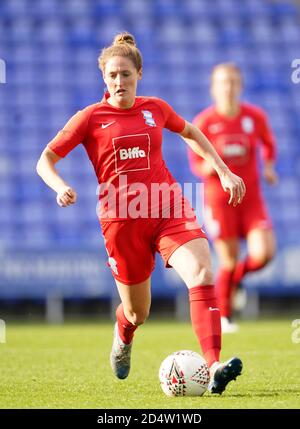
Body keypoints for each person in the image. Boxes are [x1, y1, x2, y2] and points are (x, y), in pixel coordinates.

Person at [36, 34, 246, 394]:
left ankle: (213, 367)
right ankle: (124, 333)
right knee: (138, 313)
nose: (120, 82)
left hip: (167, 207)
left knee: (201, 271)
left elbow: (191, 131)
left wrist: (224, 170)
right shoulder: (89, 118)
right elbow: (46, 160)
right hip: (122, 220)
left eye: (126, 75)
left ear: (139, 75)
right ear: (104, 77)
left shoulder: (156, 109)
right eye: (113, 75)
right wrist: (60, 187)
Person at [189, 63, 278, 333]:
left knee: (264, 254)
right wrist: (213, 167)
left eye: (233, 82)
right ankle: (225, 317)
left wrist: (269, 166)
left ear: (240, 86)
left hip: (251, 200)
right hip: (220, 200)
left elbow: (269, 144)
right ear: (213, 88)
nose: (228, 87)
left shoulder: (255, 117)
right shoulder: (205, 122)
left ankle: (234, 280)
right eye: (222, 82)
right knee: (228, 258)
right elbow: (196, 162)